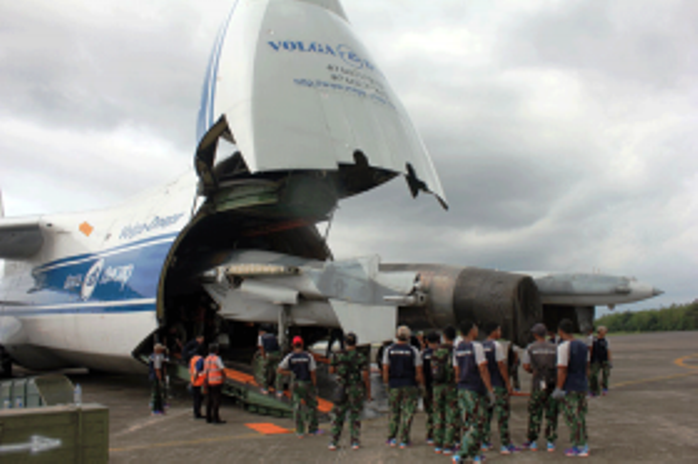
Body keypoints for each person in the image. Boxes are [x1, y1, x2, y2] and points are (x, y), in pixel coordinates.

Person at [453, 320, 494, 464]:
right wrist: (490, 389)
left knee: (467, 422)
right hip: (474, 388)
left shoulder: (457, 348)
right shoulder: (476, 346)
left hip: (462, 388)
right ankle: (461, 454)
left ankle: (476, 455)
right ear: (471, 331)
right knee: (478, 422)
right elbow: (483, 368)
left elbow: (456, 370)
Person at [552, 319, 590, 457]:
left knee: (572, 417)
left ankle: (578, 446)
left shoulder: (563, 347)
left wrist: (559, 388)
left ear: (560, 331)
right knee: (580, 415)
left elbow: (562, 369)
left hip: (570, 386)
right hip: (581, 384)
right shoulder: (583, 345)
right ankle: (583, 443)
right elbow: (587, 366)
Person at [382, 325, 424, 449]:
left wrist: (386, 383)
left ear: (396, 336)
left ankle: (392, 438)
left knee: (394, 411)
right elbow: (418, 370)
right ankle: (404, 439)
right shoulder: (413, 350)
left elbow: (385, 368)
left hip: (394, 383)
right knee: (408, 412)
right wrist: (421, 385)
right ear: (409, 337)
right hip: (409, 383)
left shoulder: (389, 350)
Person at [481, 322, 520, 455]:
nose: (500, 332)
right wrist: (508, 383)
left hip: (486, 386)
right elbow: (501, 365)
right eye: (499, 330)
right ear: (494, 331)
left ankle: (485, 442)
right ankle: (505, 444)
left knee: (486, 415)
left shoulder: (480, 346)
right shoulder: (496, 345)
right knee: (503, 416)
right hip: (498, 385)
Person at [328, 332, 371, 450]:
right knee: (355, 415)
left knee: (338, 415)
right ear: (356, 343)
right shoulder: (360, 357)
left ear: (344, 342)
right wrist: (368, 392)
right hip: (355, 388)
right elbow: (365, 375)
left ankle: (333, 441)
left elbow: (331, 370)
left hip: (342, 387)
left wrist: (340, 371)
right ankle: (355, 442)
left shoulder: (337, 355)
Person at [521, 323, 559, 452]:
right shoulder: (555, 347)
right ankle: (550, 441)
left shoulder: (530, 348)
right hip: (552, 383)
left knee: (535, 412)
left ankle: (533, 441)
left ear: (535, 334)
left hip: (538, 383)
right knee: (551, 413)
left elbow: (525, 366)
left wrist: (534, 371)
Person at [278, 336, 321, 437]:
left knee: (297, 406)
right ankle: (313, 429)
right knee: (312, 406)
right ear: (302, 344)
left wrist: (290, 373)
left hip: (295, 384)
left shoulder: (290, 357)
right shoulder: (308, 356)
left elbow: (279, 370)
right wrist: (314, 386)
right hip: (307, 383)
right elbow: (313, 372)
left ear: (293, 345)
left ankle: (300, 431)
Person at [431, 326, 458, 455]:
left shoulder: (436, 351)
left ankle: (438, 444)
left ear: (444, 336)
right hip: (451, 386)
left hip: (437, 386)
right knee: (451, 415)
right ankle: (448, 444)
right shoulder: (454, 351)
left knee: (438, 414)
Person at [422, 332, 439, 445]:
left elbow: (419, 371)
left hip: (427, 386)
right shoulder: (440, 353)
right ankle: (440, 434)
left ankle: (430, 435)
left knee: (429, 412)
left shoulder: (422, 354)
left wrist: (422, 385)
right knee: (439, 411)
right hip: (439, 385)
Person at [203, 343, 227, 424]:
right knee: (216, 400)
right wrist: (224, 376)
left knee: (209, 400)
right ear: (216, 351)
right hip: (216, 382)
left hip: (209, 381)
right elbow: (221, 368)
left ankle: (208, 417)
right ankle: (216, 418)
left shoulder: (206, 359)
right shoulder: (217, 358)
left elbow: (205, 371)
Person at [257, 325, 282, 396]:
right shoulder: (274, 336)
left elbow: (261, 348)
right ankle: (279, 390)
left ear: (261, 331)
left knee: (264, 371)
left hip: (269, 354)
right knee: (278, 372)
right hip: (277, 354)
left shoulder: (261, 337)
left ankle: (265, 389)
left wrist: (264, 356)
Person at [589, 326, 612, 396]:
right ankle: (594, 389)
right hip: (596, 360)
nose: (605, 332)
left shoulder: (607, 340)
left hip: (604, 360)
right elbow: (591, 350)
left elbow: (608, 351)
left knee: (606, 374)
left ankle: (605, 388)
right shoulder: (594, 340)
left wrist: (610, 361)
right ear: (600, 331)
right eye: (604, 330)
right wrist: (589, 360)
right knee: (594, 375)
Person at [149, 343, 166, 416]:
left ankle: (158, 408)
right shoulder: (157, 357)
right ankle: (155, 410)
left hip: (152, 376)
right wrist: (160, 378)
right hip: (156, 377)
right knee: (157, 394)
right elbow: (157, 369)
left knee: (156, 393)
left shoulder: (152, 356)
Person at [189, 346, 206, 419]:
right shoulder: (200, 360)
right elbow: (197, 371)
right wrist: (195, 380)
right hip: (199, 382)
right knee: (198, 399)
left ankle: (196, 413)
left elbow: (190, 370)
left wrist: (192, 381)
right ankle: (197, 414)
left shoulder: (192, 359)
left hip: (194, 381)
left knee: (196, 399)